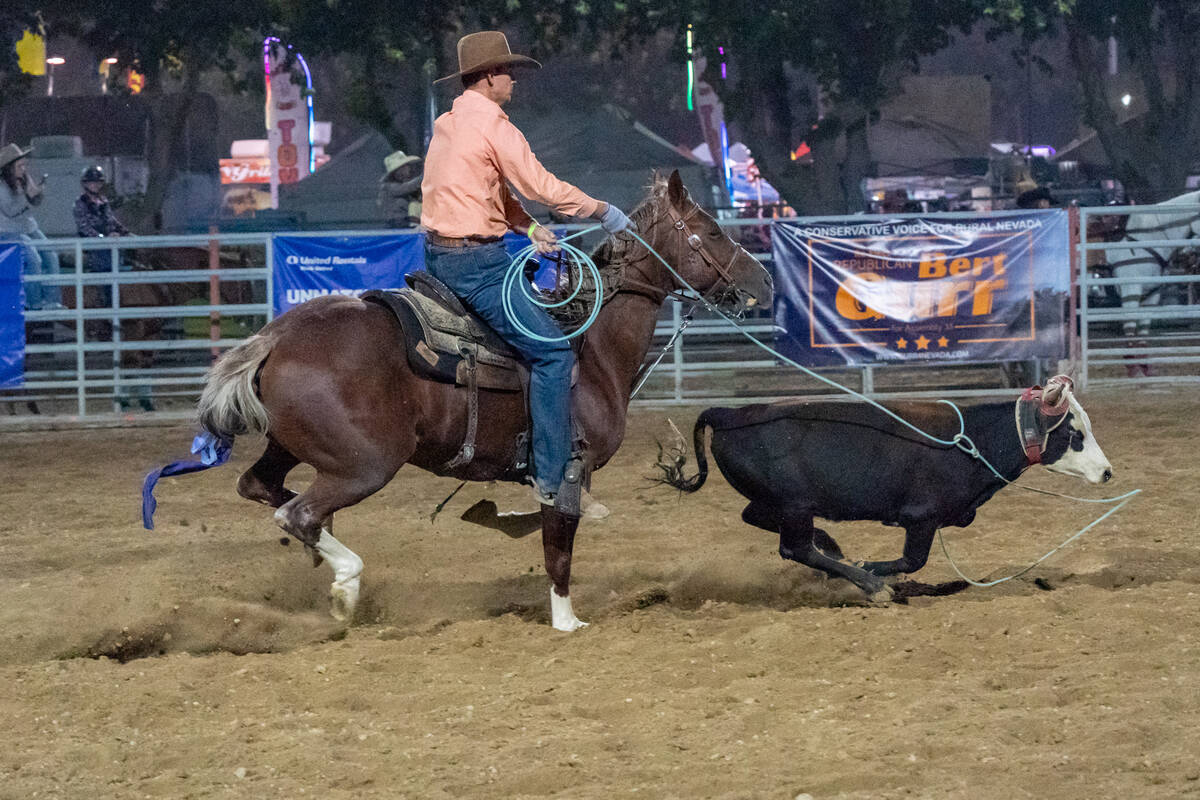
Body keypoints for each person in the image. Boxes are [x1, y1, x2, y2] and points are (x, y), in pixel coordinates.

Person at [421, 30, 633, 510]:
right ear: (489, 76)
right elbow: (542, 186)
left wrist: (529, 229)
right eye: (508, 71)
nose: (514, 80)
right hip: (478, 265)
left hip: (438, 256)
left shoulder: (449, 123)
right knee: (554, 354)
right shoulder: (496, 127)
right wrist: (601, 209)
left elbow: (486, 190)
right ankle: (551, 476)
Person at [0, 142, 63, 310]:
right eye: (19, 166)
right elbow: (10, 211)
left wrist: (37, 193)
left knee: (51, 254)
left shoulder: (24, 179)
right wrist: (28, 197)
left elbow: (35, 202)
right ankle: (35, 302)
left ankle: (53, 300)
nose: (23, 168)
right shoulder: (2, 186)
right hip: (8, 230)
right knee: (34, 258)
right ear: (9, 168)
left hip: (28, 226)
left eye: (23, 165)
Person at [74, 165, 131, 273]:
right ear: (85, 184)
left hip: (109, 241)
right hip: (92, 244)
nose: (96, 185)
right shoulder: (80, 203)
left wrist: (125, 232)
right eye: (92, 182)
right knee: (105, 259)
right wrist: (103, 238)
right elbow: (84, 227)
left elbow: (111, 219)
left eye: (98, 182)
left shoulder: (103, 201)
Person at [378, 150, 423, 228]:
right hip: (395, 227)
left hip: (404, 224)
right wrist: (425, 175)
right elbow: (408, 187)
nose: (409, 168)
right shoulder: (388, 187)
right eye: (406, 166)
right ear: (399, 171)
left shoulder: (403, 185)